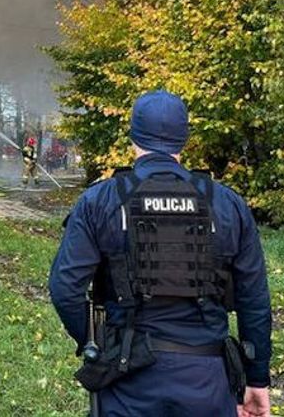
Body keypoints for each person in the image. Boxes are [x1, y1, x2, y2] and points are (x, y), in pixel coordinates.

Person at [49, 90, 272, 416]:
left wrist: (94, 343)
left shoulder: (101, 201)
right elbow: (255, 300)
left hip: (128, 379)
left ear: (133, 135)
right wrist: (257, 378)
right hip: (207, 382)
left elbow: (65, 288)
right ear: (184, 139)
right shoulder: (228, 204)